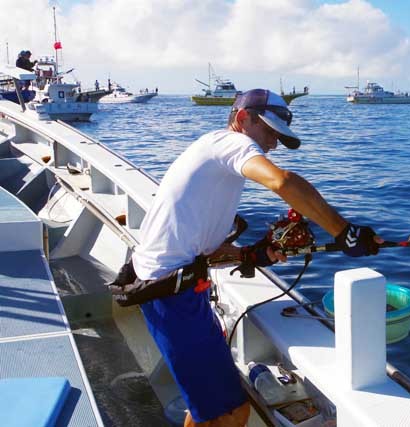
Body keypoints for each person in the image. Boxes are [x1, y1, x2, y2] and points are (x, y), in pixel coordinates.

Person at [124, 89, 381, 427]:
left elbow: (194, 245)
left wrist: (250, 254)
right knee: (230, 413)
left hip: (179, 289)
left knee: (213, 409)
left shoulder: (214, 156)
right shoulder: (230, 143)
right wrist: (344, 231)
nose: (272, 144)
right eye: (269, 131)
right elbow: (283, 181)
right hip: (170, 297)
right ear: (242, 119)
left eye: (277, 136)